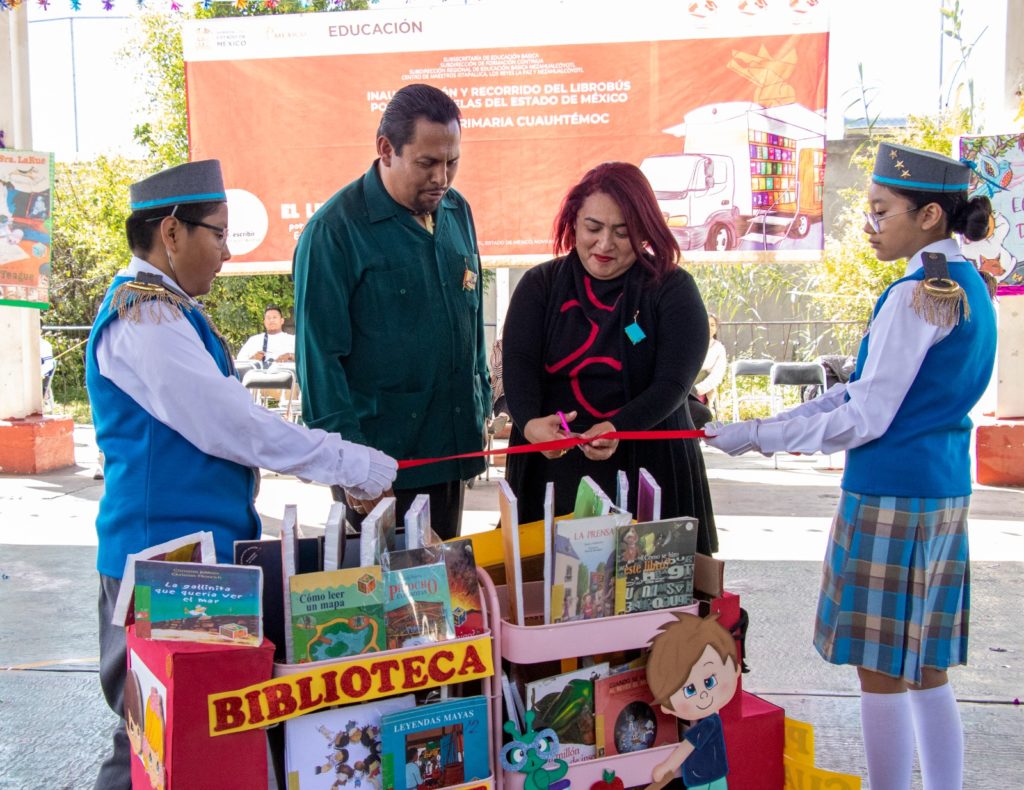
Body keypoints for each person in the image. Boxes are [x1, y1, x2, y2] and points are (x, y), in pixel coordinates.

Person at [85, 160, 398, 790]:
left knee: (193, 736)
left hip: (198, 565)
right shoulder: (142, 317)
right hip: (163, 568)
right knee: (151, 740)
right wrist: (349, 461)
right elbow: (231, 425)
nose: (227, 254)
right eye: (219, 234)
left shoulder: (169, 311)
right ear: (171, 233)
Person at [705, 142, 997, 790]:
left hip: (889, 495)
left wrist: (759, 438)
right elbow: (866, 391)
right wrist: (763, 427)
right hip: (942, 491)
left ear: (927, 217)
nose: (869, 224)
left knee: (879, 670)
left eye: (879, 210)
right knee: (925, 666)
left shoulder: (916, 295)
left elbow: (866, 414)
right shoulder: (971, 287)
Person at [293, 83, 489, 540]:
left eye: (452, 162)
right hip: (378, 470)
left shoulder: (458, 212)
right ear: (386, 149)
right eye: (426, 163)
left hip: (451, 448)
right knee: (387, 605)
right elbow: (318, 360)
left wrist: (480, 404)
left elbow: (471, 321)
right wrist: (353, 467)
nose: (442, 178)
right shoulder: (333, 232)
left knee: (447, 594)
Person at [501, 161, 717, 554]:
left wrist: (619, 426)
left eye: (623, 232)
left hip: (648, 460)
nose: (605, 245)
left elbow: (673, 382)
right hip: (553, 467)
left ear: (645, 230)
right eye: (593, 228)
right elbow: (518, 366)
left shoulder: (672, 289)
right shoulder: (539, 286)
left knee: (654, 602)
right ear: (574, 223)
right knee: (544, 595)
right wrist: (530, 424)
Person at [645, 612, 741, 790]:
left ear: (735, 671)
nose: (704, 695)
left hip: (701, 777)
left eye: (709, 682)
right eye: (690, 690)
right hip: (713, 773)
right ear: (666, 707)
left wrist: (667, 767)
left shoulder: (709, 722)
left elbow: (687, 748)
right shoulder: (712, 719)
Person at [687, 313, 727, 429]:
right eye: (706, 324)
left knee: (702, 414)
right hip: (680, 388)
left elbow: (716, 376)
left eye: (713, 325)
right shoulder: (689, 343)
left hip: (696, 391)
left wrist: (696, 389)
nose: (709, 327)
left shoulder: (718, 348)